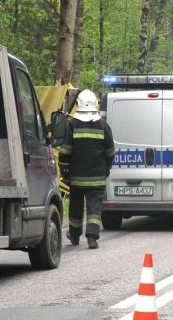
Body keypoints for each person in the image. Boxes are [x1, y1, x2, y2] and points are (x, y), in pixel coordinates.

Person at [59, 89, 115, 249]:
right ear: (96, 105)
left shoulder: (73, 125)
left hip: (76, 178)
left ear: (78, 106)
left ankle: (75, 235)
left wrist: (64, 171)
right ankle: (92, 237)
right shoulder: (103, 125)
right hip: (97, 178)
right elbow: (110, 152)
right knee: (94, 208)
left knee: (75, 208)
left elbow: (65, 151)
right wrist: (106, 170)